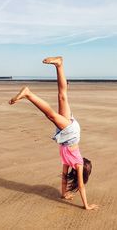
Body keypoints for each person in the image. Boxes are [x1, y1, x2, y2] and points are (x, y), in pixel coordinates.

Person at [9, 56, 98, 210]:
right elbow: (82, 188)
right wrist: (87, 206)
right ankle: (29, 94)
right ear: (83, 170)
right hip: (71, 134)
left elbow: (63, 178)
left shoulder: (67, 163)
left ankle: (59, 65)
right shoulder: (78, 164)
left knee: (62, 96)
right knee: (51, 115)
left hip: (68, 134)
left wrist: (64, 194)